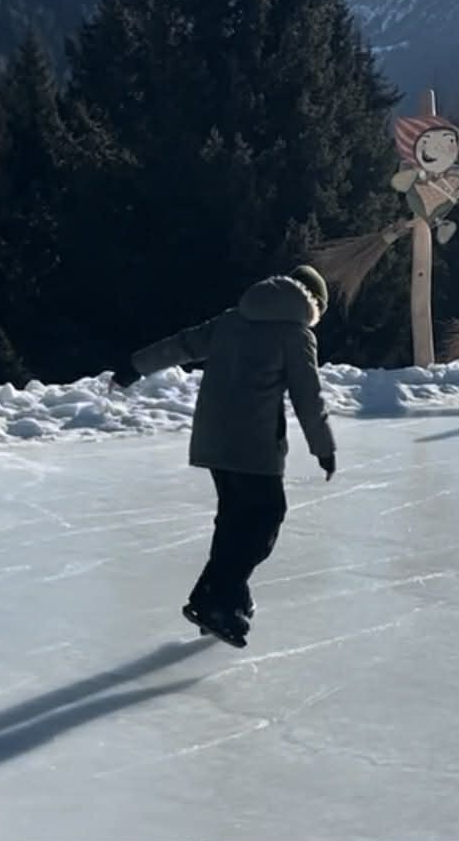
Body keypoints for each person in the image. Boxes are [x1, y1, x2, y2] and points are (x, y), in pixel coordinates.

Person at [130, 264, 337, 647]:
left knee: (233, 521)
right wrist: (323, 448)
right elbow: (308, 397)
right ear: (314, 305)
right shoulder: (295, 334)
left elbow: (184, 344)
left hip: (213, 439)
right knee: (264, 522)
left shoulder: (233, 319)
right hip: (254, 445)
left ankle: (229, 600)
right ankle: (212, 599)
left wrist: (134, 366)